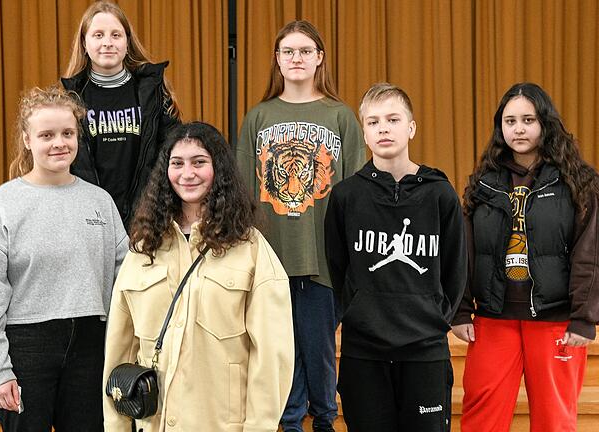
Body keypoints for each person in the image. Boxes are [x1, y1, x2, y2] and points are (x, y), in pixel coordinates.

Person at [103, 121, 293, 432]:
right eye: (177, 163)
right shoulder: (143, 249)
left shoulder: (251, 248)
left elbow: (273, 355)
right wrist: (117, 426)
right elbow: (119, 349)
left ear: (219, 169)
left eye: (199, 162)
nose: (187, 173)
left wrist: (260, 427)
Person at [0, 86, 128, 432]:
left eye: (68, 133)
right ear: (27, 139)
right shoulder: (2, 204)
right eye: (47, 135)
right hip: (27, 346)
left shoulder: (100, 202)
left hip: (91, 344)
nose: (59, 143)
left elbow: (126, 278)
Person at [235, 20, 365, 432]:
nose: (296, 58)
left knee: (320, 348)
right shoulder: (259, 116)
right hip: (272, 253)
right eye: (288, 51)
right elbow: (243, 188)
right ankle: (290, 423)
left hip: (323, 254)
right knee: (281, 349)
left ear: (319, 58)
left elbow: (354, 192)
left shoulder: (340, 116)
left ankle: (325, 420)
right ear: (277, 59)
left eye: (305, 51)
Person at [451, 82, 599, 432]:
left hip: (555, 321)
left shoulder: (577, 182)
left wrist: (583, 318)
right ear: (500, 127)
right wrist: (460, 309)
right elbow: (465, 252)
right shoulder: (483, 184)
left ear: (545, 123)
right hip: (492, 318)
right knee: (481, 418)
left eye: (528, 120)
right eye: (510, 120)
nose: (518, 128)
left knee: (555, 420)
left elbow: (590, 253)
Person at [325, 83, 466, 432]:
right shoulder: (346, 195)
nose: (383, 128)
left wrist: (432, 316)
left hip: (425, 350)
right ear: (364, 132)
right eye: (373, 122)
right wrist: (357, 310)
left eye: (392, 119)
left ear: (411, 127)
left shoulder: (439, 193)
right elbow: (336, 265)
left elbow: (455, 267)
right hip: (364, 351)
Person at [61, 0, 181, 227]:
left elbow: (173, 149)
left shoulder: (152, 90)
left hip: (145, 216)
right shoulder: (70, 98)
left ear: (127, 42)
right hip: (89, 217)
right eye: (98, 35)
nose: (107, 42)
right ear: (84, 43)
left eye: (116, 35)